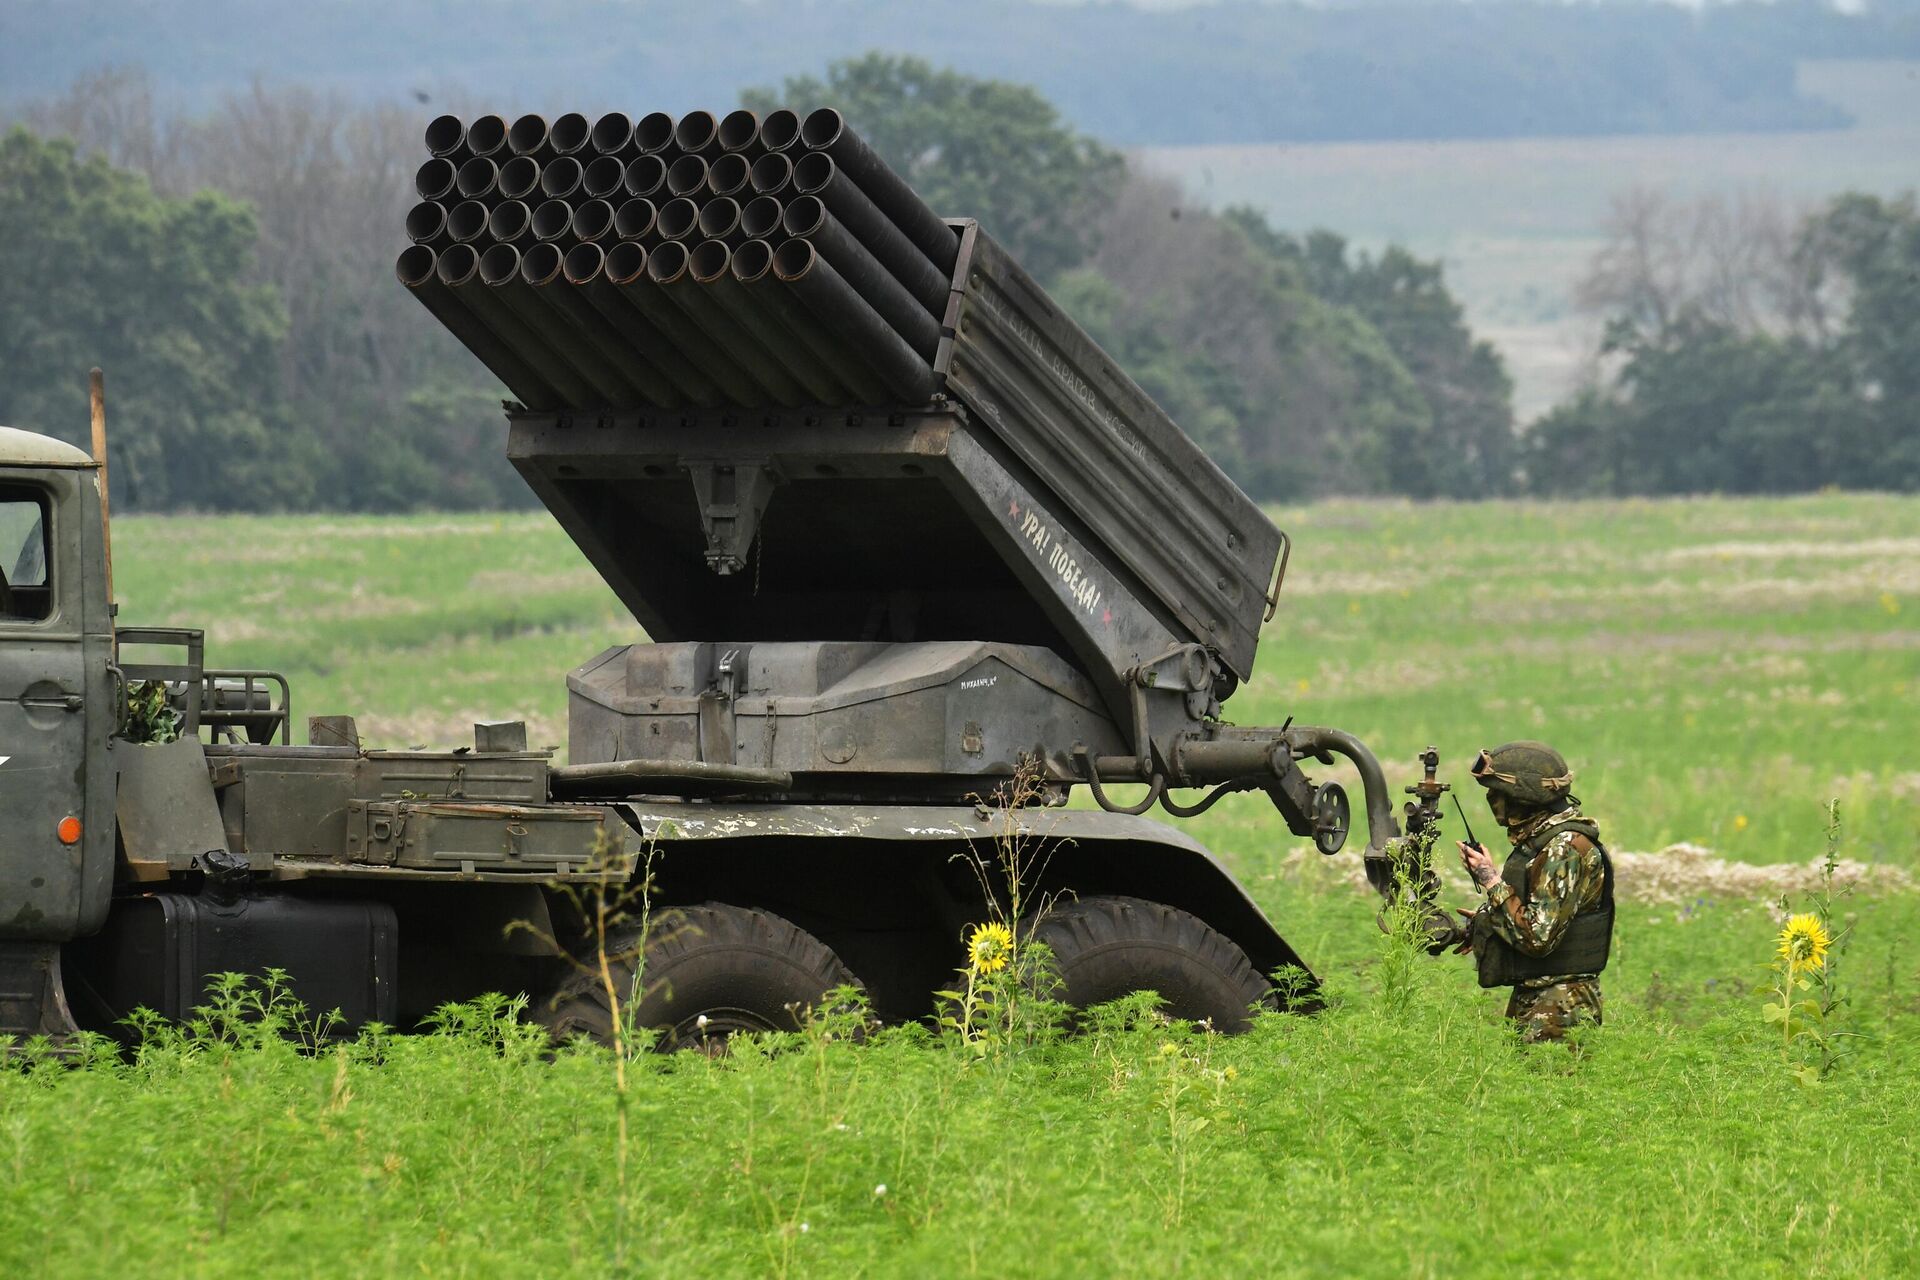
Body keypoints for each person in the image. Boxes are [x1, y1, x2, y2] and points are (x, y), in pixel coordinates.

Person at [1455, 741, 1614, 1044]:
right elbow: (1538, 913)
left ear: (1522, 797)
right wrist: (1485, 924)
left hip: (1560, 1006)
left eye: (1497, 792)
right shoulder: (1544, 843)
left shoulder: (1564, 848)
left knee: (1553, 1090)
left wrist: (1489, 879)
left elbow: (1538, 937)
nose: (1491, 799)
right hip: (1540, 999)